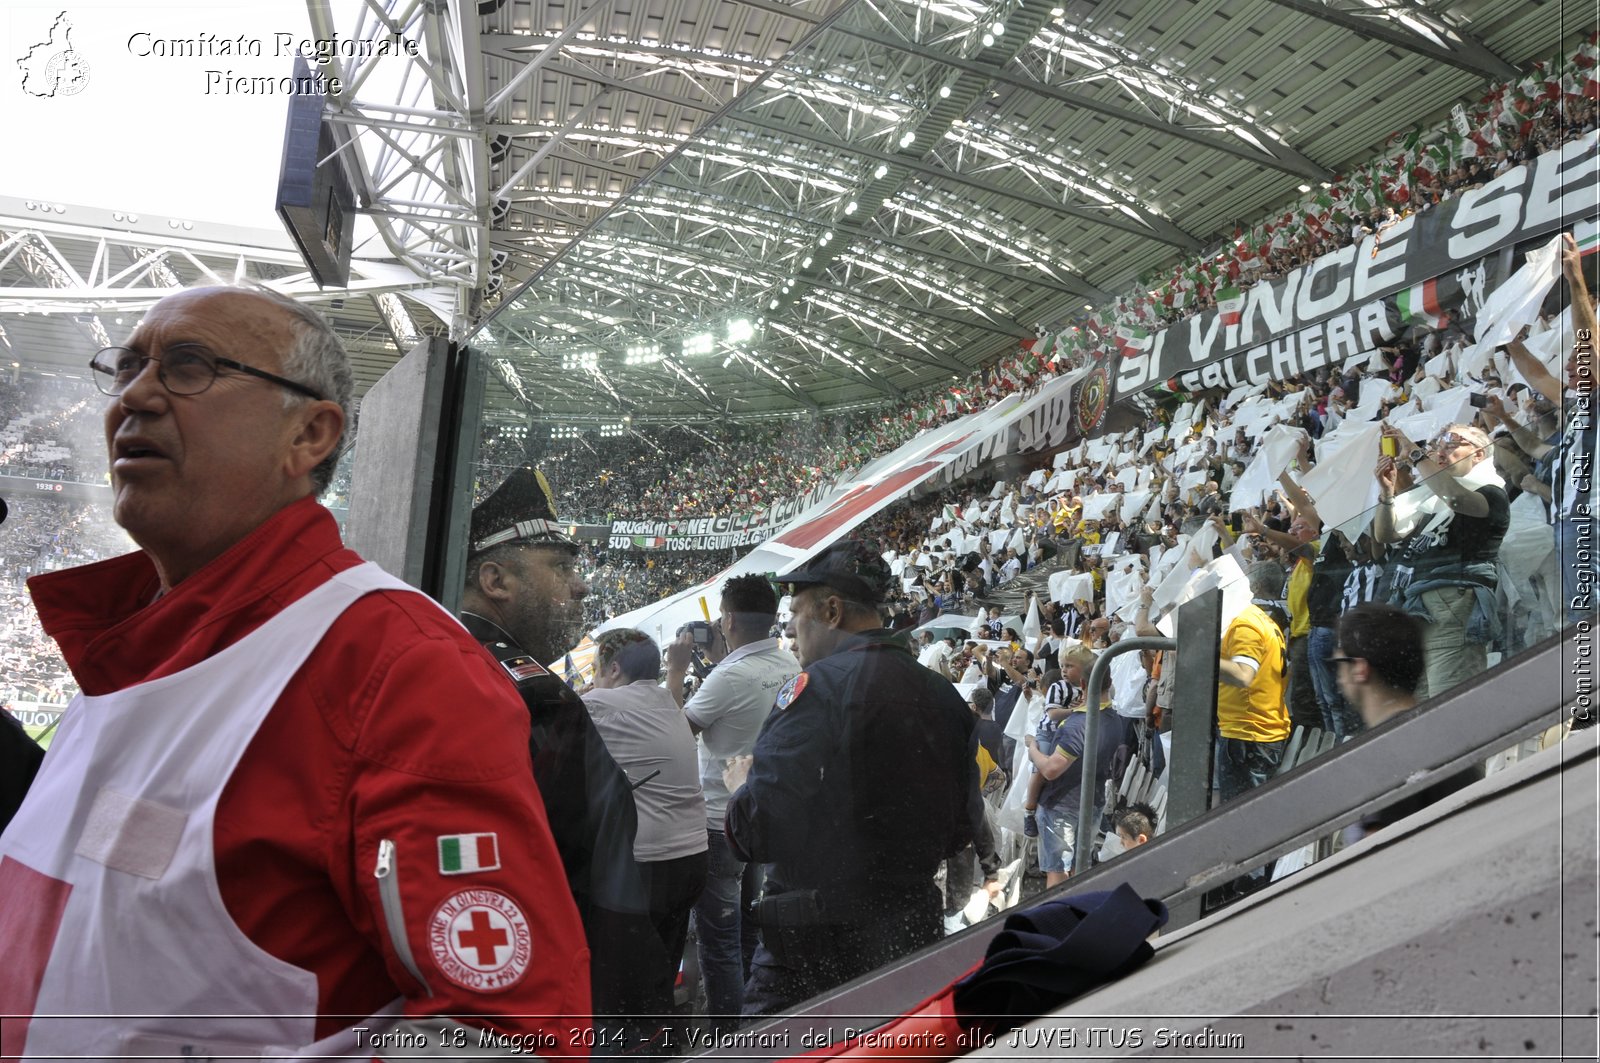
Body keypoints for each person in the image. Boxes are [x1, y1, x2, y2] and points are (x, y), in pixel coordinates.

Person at [0, 285, 588, 1056]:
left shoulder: (397, 667)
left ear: (309, 433)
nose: (136, 395)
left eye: (188, 366)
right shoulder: (132, 647)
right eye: (130, 366)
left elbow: (514, 1035)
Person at [722, 539, 979, 1016]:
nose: (792, 631)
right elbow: (960, 829)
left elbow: (757, 831)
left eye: (796, 614)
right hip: (907, 940)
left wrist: (741, 789)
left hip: (812, 955)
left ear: (832, 611)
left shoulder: (818, 689)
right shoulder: (943, 695)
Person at [459, 465, 654, 1027]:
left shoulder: (479, 663)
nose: (582, 585)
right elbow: (582, 861)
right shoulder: (527, 693)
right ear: (496, 581)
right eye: (562, 567)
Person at [664, 574, 798, 1030]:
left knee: (719, 940)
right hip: (760, 812)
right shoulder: (788, 664)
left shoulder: (725, 678)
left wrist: (678, 671)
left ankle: (728, 1036)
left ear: (729, 619)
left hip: (718, 824)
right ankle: (752, 1016)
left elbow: (674, 738)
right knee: (747, 926)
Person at [585, 629, 708, 1021]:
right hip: (691, 859)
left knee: (623, 988)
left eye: (597, 670)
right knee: (661, 972)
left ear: (614, 668)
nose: (593, 680)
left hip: (646, 867)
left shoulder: (599, 704)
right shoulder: (668, 701)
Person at [1373, 422, 1510, 700]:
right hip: (1416, 609)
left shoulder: (1491, 493)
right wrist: (1387, 494)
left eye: (1452, 442)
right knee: (1420, 708)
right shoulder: (1431, 503)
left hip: (1452, 604)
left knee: (1448, 703)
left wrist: (1414, 453)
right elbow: (1386, 533)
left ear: (1479, 455)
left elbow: (1457, 498)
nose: (1440, 450)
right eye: (1439, 444)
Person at [1022, 643, 1121, 886]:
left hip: (1061, 806)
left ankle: (1055, 921)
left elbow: (1051, 769)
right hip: (1093, 803)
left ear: (1084, 684)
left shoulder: (1078, 725)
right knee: (1080, 869)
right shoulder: (1114, 719)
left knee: (1057, 873)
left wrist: (1032, 747)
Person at [1215, 561, 1292, 804]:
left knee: (1242, 817)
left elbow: (1242, 674)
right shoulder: (1257, 619)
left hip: (1249, 735)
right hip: (1252, 731)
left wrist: (1197, 655)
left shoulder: (1245, 624)